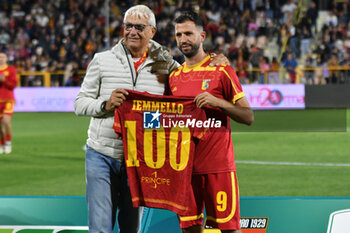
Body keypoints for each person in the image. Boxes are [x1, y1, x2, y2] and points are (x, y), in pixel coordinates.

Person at [74, 5, 228, 233]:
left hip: (139, 160)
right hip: (101, 153)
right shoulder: (102, 60)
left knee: (130, 227)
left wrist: (213, 60)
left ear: (152, 32)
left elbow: (192, 78)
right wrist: (105, 105)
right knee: (100, 226)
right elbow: (79, 103)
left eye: (139, 27)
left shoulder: (166, 64)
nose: (132, 32)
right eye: (128, 26)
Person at [169, 11, 254, 233]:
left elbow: (248, 116)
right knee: (189, 230)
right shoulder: (174, 77)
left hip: (218, 168)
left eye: (188, 33)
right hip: (185, 170)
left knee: (229, 229)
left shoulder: (221, 70)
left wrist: (218, 102)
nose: (183, 39)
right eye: (179, 34)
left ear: (202, 35)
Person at [0, 51, 17, 154]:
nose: (1, 58)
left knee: (6, 121)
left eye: (3, 57)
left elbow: (13, 85)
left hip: (8, 100)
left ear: (6, 58)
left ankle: (8, 142)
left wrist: (4, 80)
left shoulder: (11, 69)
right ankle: (2, 144)